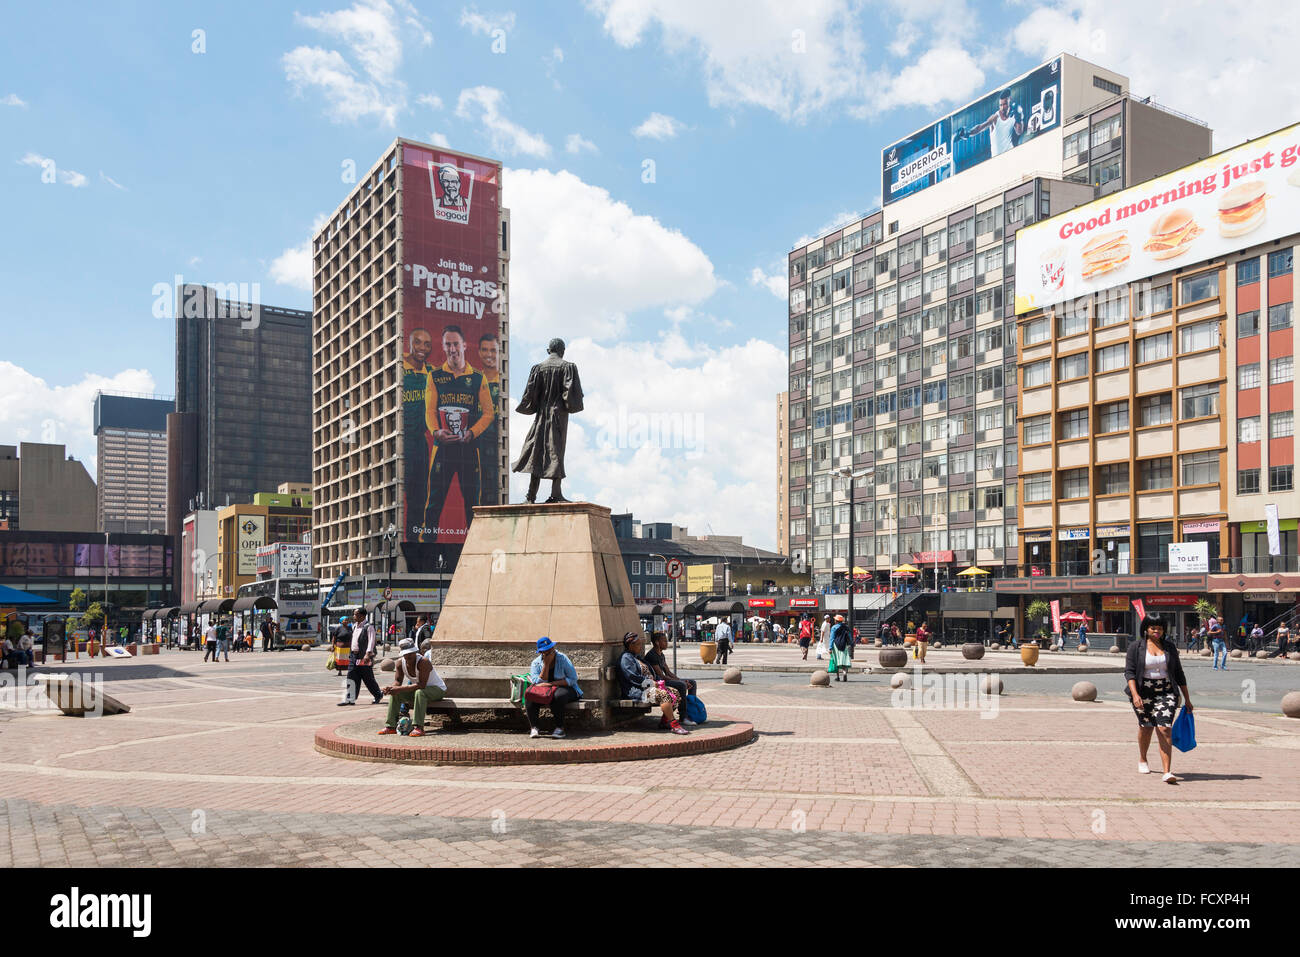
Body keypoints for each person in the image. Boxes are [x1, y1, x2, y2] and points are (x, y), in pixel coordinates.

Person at [422, 324, 495, 540]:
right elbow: (430, 410)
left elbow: (488, 413)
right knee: (434, 501)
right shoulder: (435, 376)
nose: (452, 349)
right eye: (448, 344)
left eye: (455, 344)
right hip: (443, 449)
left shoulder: (478, 378)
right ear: (443, 347)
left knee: (472, 502)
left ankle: (475, 548)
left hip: (469, 450)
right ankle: (428, 546)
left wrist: (472, 433)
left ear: (463, 345)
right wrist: (436, 432)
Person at [1125, 615, 1193, 784]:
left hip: (1166, 691)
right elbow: (1130, 673)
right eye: (1153, 628)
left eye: (1160, 628)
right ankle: (1143, 758)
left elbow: (1179, 674)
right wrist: (1135, 695)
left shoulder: (1169, 647)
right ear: (1146, 629)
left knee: (1164, 728)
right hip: (1143, 691)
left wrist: (1187, 699)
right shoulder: (1136, 647)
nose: (1157, 631)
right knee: (1146, 727)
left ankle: (1167, 771)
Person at [618, 632, 687, 734]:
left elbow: (653, 673)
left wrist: (658, 681)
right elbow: (633, 678)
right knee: (664, 695)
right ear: (631, 645)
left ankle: (664, 721)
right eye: (638, 644)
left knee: (675, 692)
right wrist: (651, 683)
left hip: (649, 687)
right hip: (637, 691)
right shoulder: (626, 658)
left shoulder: (636, 657)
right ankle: (674, 725)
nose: (640, 647)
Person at [377, 638, 447, 737]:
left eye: (411, 653)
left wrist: (399, 689)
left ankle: (418, 727)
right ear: (402, 654)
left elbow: (422, 685)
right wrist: (390, 688)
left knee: (419, 692)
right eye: (406, 654)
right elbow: (397, 682)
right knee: (395, 693)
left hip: (437, 690)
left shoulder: (423, 662)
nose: (409, 656)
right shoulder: (400, 663)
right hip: (421, 690)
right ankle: (391, 726)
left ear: (415, 651)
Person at [526, 636, 582, 738]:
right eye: (546, 651)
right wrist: (546, 665)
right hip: (545, 692)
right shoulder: (536, 663)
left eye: (551, 649)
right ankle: (534, 728)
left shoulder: (562, 658)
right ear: (541, 653)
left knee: (558, 695)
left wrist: (551, 684)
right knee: (529, 695)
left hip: (568, 689)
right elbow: (536, 683)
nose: (551, 652)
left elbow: (573, 679)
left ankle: (560, 728)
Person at [643, 631, 697, 725]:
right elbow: (662, 676)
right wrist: (681, 682)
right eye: (664, 641)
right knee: (681, 685)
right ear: (657, 642)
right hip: (657, 683)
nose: (666, 643)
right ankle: (683, 717)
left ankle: (691, 712)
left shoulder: (661, 654)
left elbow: (668, 672)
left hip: (663, 680)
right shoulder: (652, 655)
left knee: (692, 682)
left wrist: (680, 680)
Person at [340, 610, 383, 706]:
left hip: (364, 656)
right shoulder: (355, 626)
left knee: (367, 677)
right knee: (351, 676)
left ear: (362, 616)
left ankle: (377, 694)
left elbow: (371, 641)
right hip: (354, 656)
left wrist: (368, 654)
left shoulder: (368, 627)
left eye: (356, 614)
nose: (354, 616)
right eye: (354, 614)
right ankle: (350, 699)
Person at [829, 614, 852, 682]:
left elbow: (832, 638)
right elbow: (849, 636)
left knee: (836, 660)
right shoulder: (845, 627)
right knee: (843, 659)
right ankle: (844, 672)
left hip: (836, 645)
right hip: (844, 645)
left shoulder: (834, 627)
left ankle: (838, 677)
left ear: (836, 621)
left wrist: (830, 647)